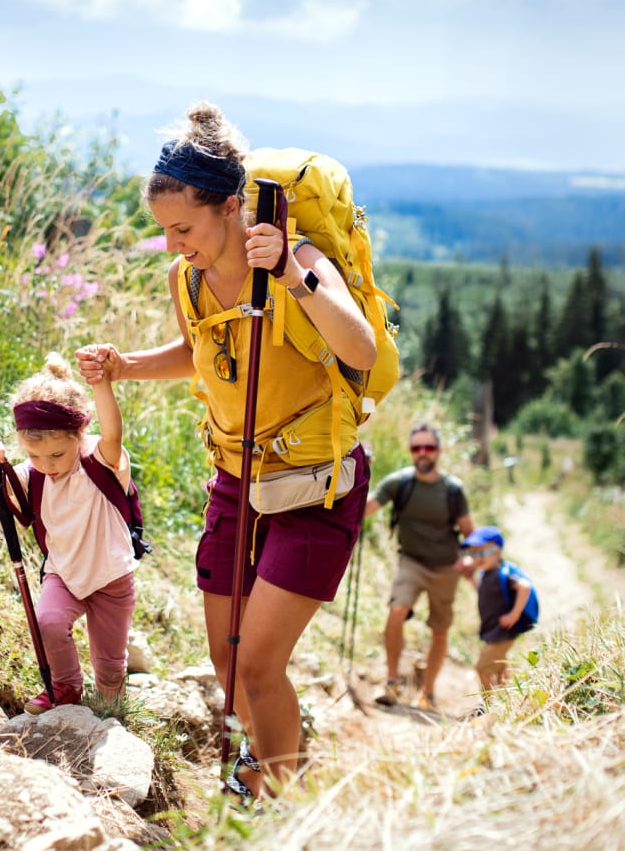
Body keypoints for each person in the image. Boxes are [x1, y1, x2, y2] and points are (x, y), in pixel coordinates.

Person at [76, 102, 377, 798]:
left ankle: (282, 802)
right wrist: (126, 366)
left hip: (314, 486)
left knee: (260, 666)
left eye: (184, 228)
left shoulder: (297, 259)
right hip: (236, 481)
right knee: (227, 659)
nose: (175, 243)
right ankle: (258, 784)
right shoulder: (189, 278)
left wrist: (297, 281)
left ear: (231, 207)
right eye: (165, 232)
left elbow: (358, 346)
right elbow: (200, 351)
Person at [0, 350, 136, 715]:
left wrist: (101, 383)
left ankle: (112, 709)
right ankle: (66, 688)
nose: (47, 466)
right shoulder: (33, 476)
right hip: (63, 571)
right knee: (48, 621)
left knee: (110, 663)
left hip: (111, 576)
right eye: (35, 456)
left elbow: (113, 431)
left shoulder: (98, 459)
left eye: (58, 455)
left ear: (80, 435)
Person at [363, 422, 475, 711]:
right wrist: (358, 475)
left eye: (429, 447)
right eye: (417, 448)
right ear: (411, 451)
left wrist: (474, 561)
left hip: (446, 568)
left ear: (439, 451)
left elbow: (469, 533)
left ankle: (428, 692)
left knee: (440, 630)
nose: (423, 453)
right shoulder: (399, 483)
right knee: (397, 610)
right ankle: (392, 682)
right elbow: (367, 507)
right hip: (411, 562)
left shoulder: (452, 490)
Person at [459, 525, 535, 693]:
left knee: (482, 668)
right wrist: (471, 578)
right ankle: (507, 697)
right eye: (473, 554)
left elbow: (524, 587)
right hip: (493, 630)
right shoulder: (486, 574)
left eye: (483, 553)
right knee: (500, 668)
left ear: (498, 551)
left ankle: (489, 704)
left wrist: (514, 615)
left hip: (502, 631)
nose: (478, 559)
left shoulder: (503, 573)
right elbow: (483, 592)